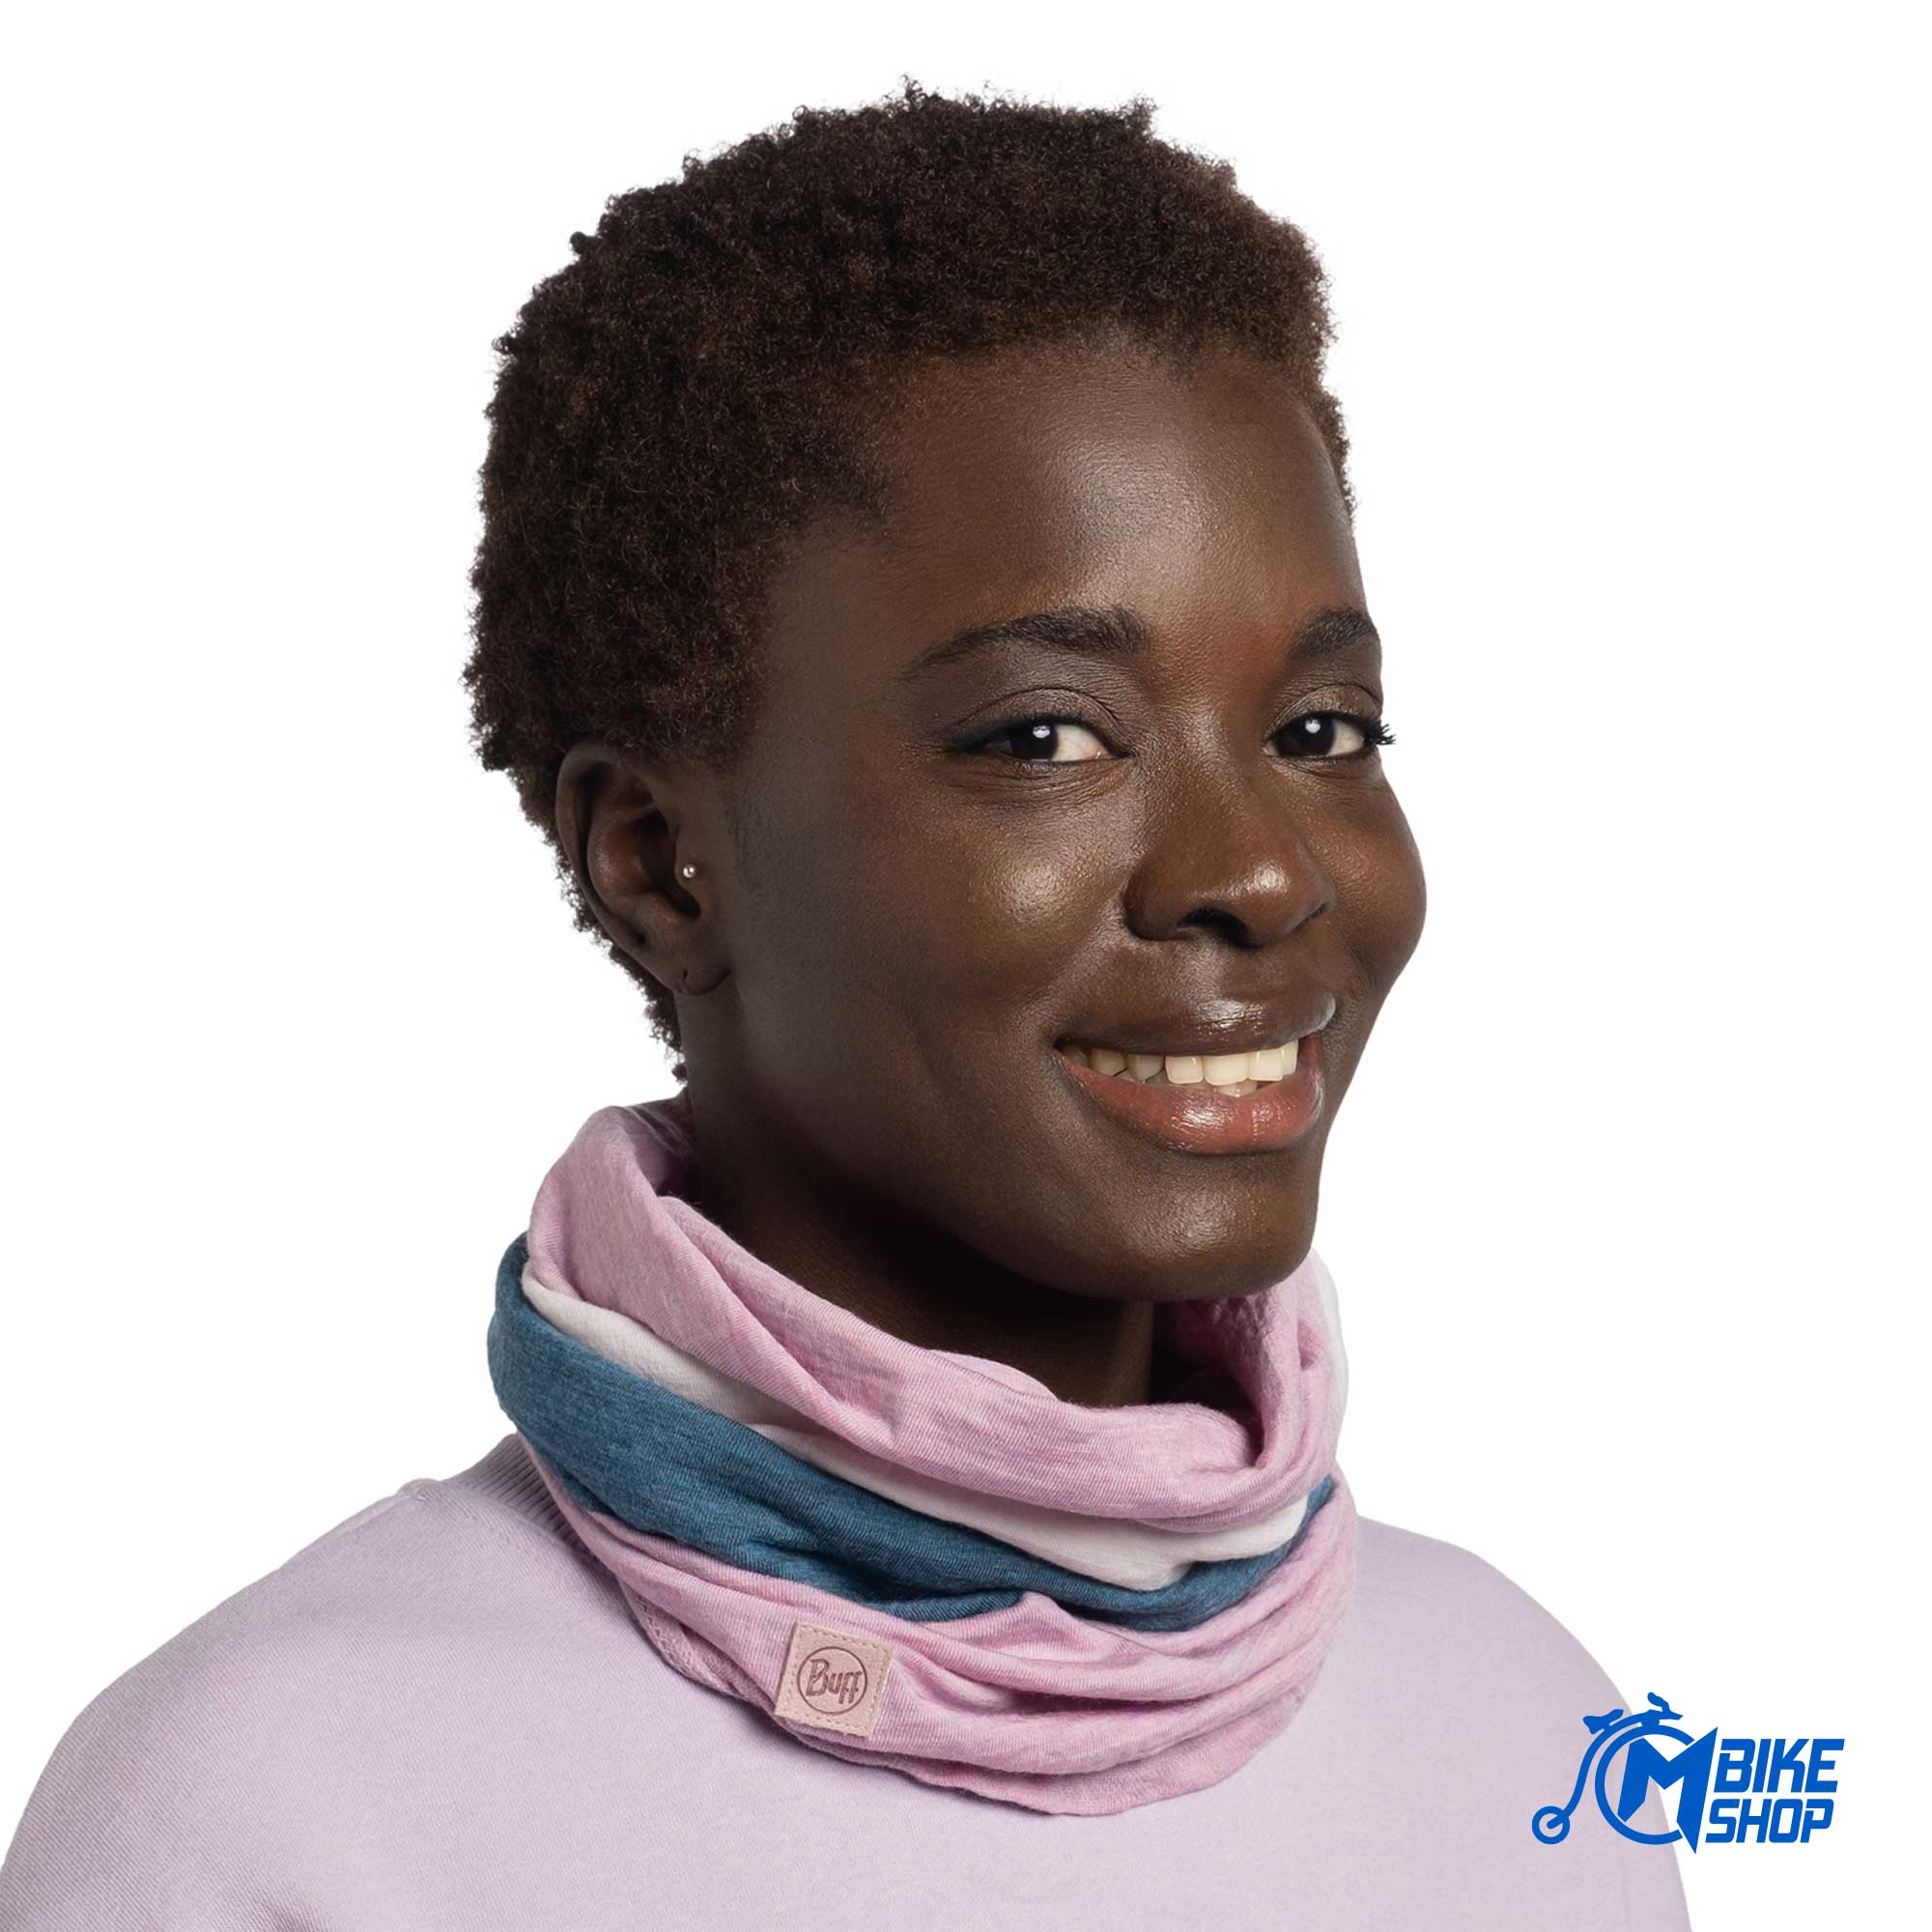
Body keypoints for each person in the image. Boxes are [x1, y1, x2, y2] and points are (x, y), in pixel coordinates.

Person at [0, 80, 1691, 1928]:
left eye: (1321, 730)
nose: (1264, 871)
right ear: (656, 857)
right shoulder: (269, 1811)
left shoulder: (1525, 1730)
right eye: (1044, 738)